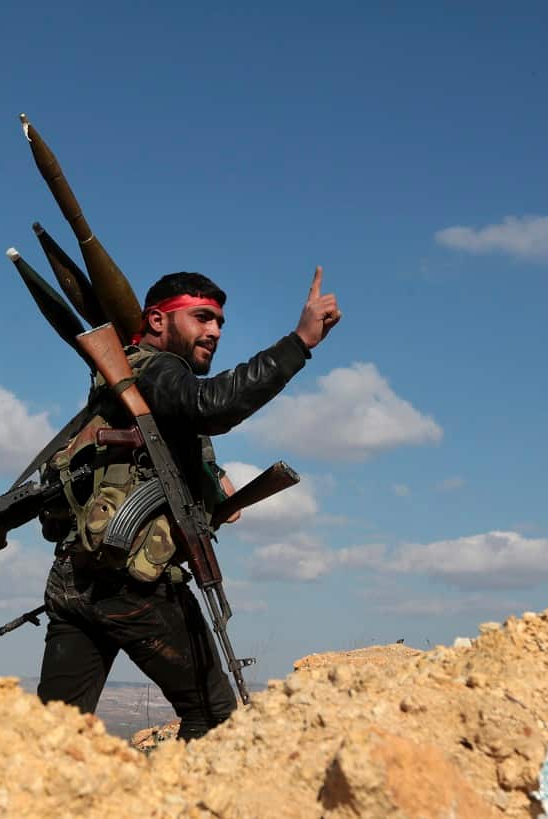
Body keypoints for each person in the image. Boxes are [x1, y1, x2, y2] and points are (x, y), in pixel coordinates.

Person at [35, 266, 341, 739]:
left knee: (52, 734)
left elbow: (159, 448)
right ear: (158, 321)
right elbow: (211, 406)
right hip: (133, 588)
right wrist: (300, 342)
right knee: (215, 719)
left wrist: (213, 488)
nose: (215, 331)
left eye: (219, 322)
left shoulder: (129, 380)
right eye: (201, 318)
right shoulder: (156, 368)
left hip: (77, 582)